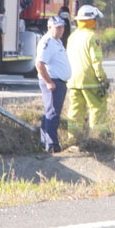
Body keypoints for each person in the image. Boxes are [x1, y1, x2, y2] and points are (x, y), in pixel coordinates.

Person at [64, 4, 110, 143]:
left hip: (73, 80)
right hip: (90, 80)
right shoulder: (92, 37)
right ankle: (98, 139)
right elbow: (96, 61)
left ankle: (73, 138)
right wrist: (103, 79)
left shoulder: (72, 37)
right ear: (91, 20)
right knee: (97, 108)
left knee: (76, 110)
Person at [35, 15, 71, 153]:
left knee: (52, 112)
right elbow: (39, 64)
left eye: (62, 27)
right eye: (57, 28)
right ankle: (51, 145)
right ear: (49, 27)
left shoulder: (57, 41)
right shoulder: (48, 42)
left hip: (59, 81)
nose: (61, 30)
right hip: (53, 82)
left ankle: (47, 143)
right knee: (52, 113)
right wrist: (49, 82)